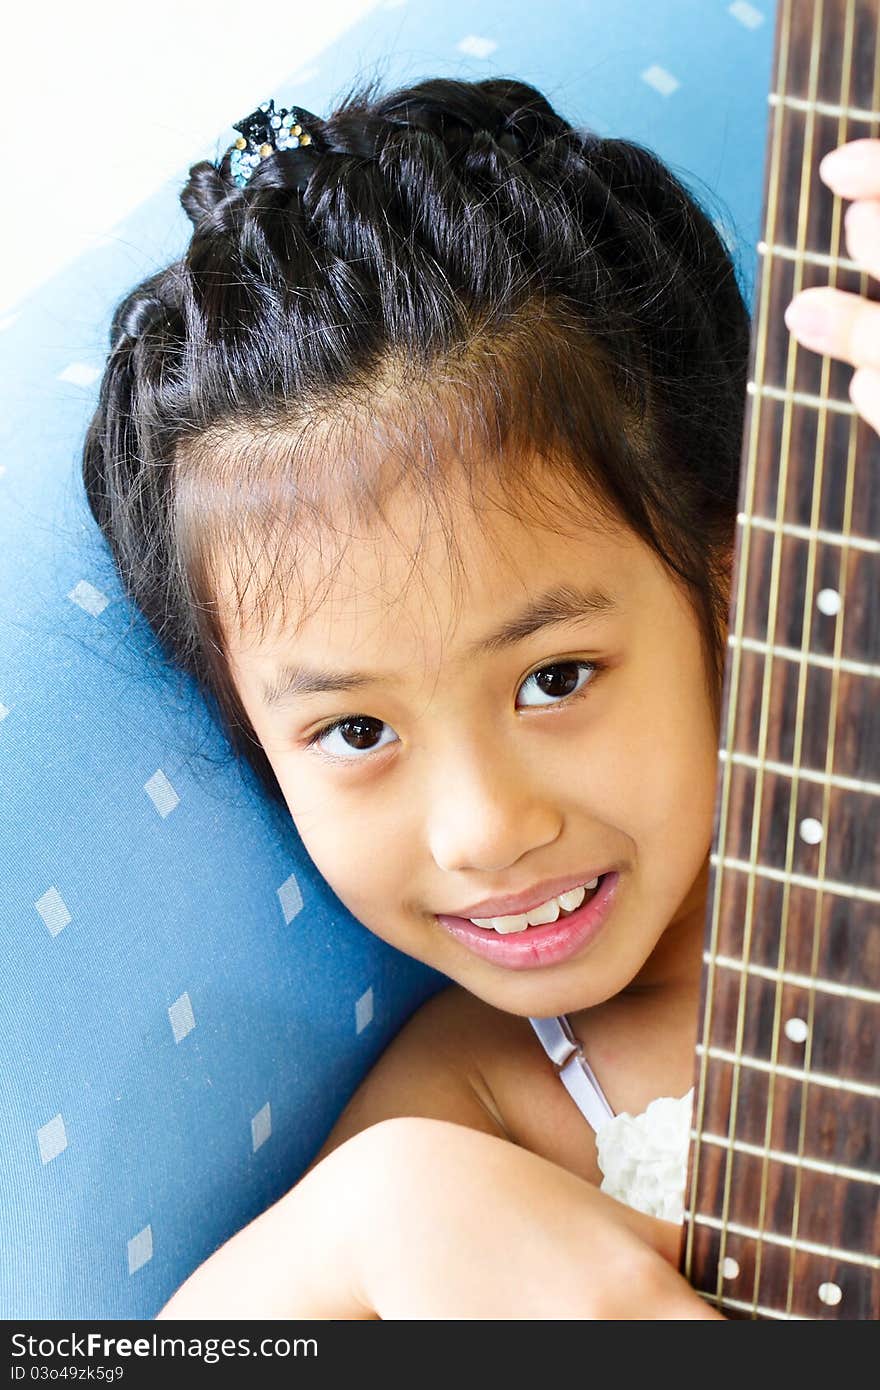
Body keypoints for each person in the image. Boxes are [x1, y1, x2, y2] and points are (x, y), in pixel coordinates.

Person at [80, 75, 879, 1319]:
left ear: (736, 575)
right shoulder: (483, 1109)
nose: (482, 829)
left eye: (554, 678)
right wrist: (366, 1222)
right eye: (355, 731)